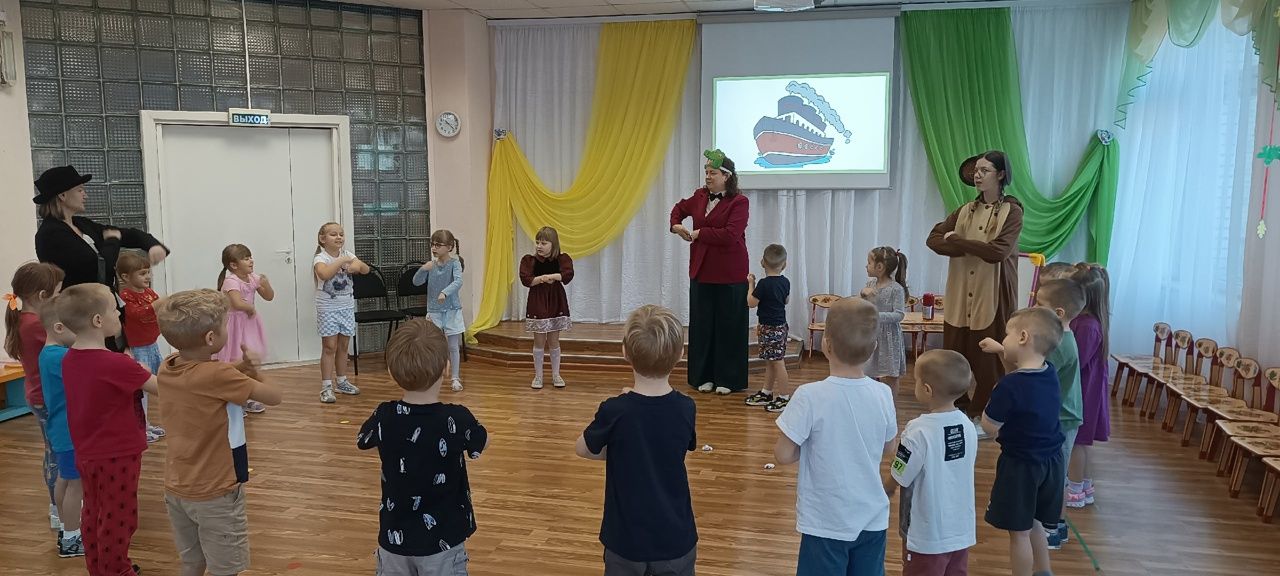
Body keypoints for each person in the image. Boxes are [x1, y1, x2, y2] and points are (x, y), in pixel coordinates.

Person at [155, 289, 283, 576]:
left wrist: (240, 368)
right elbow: (274, 396)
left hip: (177, 488)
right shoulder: (218, 376)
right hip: (216, 492)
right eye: (226, 325)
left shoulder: (168, 366)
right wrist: (256, 370)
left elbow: (208, 379)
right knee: (225, 569)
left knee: (192, 563)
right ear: (211, 338)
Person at [775, 297, 897, 576]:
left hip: (825, 520)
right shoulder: (883, 393)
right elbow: (890, 446)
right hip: (872, 517)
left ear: (825, 345)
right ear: (873, 349)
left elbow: (783, 455)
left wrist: (809, 446)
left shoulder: (809, 396)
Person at [357, 318, 488, 575]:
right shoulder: (456, 418)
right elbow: (481, 442)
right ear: (446, 368)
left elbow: (363, 440)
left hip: (394, 537)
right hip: (443, 540)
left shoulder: (384, 415)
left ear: (391, 372)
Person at [576, 305, 698, 576]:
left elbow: (582, 448)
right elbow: (678, 446)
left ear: (625, 352)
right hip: (676, 536)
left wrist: (619, 448)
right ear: (680, 354)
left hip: (626, 540)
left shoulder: (615, 410)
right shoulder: (686, 407)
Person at [57, 283, 160, 576]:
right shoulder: (115, 363)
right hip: (118, 452)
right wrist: (142, 370)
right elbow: (161, 388)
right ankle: (117, 570)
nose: (120, 314)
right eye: (115, 310)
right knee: (120, 517)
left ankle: (100, 567)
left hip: (88, 450)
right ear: (98, 321)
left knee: (94, 510)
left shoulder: (69, 358)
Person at [983, 280, 1085, 550]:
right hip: (1051, 432)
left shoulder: (1057, 352)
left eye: (1039, 303)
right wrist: (1002, 350)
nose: (1034, 305)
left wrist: (998, 396)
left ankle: (1056, 526)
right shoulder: (1050, 359)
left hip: (1050, 432)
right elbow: (1025, 369)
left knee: (1023, 527)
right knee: (1040, 512)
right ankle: (1050, 535)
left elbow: (1017, 385)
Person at [927, 151, 1024, 430]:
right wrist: (969, 246)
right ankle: (956, 409)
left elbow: (998, 252)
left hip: (992, 294)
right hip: (960, 294)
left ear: (1001, 174)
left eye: (985, 170)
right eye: (976, 171)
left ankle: (984, 415)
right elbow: (933, 239)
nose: (977, 175)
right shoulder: (964, 210)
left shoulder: (1013, 211)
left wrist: (958, 241)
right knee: (954, 357)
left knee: (989, 362)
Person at [32, 165, 169, 351]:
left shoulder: (81, 224)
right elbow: (97, 266)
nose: (85, 195)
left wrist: (152, 244)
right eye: (80, 190)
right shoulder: (50, 234)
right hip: (81, 316)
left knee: (119, 354)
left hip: (105, 310)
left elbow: (124, 233)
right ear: (62, 195)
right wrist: (112, 241)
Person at [977, 308, 1065, 576]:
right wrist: (1001, 350)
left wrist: (992, 399)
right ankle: (1044, 571)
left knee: (1019, 533)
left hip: (1021, 466)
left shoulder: (1009, 387)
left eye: (1007, 335)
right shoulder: (1049, 372)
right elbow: (1021, 372)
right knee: (1034, 521)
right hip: (1052, 462)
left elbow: (989, 426)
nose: (1004, 340)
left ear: (1023, 337)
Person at [887, 349, 977, 576]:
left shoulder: (917, 431)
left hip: (925, 534)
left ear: (927, 390)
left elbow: (900, 472)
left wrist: (886, 489)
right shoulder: (967, 426)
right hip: (960, 530)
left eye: (916, 380)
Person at [670, 149, 750, 395]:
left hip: (730, 274)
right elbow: (678, 209)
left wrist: (700, 233)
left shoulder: (739, 202)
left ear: (726, 176)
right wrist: (676, 225)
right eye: (706, 172)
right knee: (702, 326)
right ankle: (703, 376)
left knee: (729, 326)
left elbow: (730, 234)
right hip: (702, 271)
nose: (707, 176)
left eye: (713, 173)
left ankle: (728, 378)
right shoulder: (699, 196)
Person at [4, 262, 65, 534]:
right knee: (56, 453)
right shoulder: (35, 324)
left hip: (39, 395)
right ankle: (57, 508)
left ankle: (58, 505)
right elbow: (67, 343)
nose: (59, 298)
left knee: (53, 451)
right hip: (46, 397)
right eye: (57, 293)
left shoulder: (24, 320)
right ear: (42, 296)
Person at [38, 300, 85, 558]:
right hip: (69, 431)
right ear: (59, 327)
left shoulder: (48, 355)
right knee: (75, 485)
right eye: (77, 328)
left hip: (60, 428)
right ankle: (71, 538)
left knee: (65, 480)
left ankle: (67, 530)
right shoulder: (62, 357)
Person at [1067, 265, 1111, 508]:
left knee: (1077, 442)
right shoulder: (1092, 322)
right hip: (1087, 391)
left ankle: (1074, 490)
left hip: (1082, 393)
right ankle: (1084, 485)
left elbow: (1076, 361)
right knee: (1082, 443)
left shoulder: (1086, 325)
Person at [213, 244, 275, 414]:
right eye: (246, 258)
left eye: (250, 257)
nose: (251, 261)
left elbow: (269, 296)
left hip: (249, 324)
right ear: (234, 265)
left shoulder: (252, 278)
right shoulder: (231, 281)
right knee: (236, 359)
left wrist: (266, 284)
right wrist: (250, 308)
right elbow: (237, 303)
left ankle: (246, 397)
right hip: (235, 325)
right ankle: (234, 399)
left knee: (249, 360)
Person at [313, 222, 369, 404]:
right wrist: (342, 261)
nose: (339, 237)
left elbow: (365, 269)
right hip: (328, 308)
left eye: (341, 234)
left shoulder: (348, 255)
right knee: (329, 347)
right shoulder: (320, 258)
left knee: (344, 346)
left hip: (346, 307)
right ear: (322, 239)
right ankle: (326, 386)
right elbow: (324, 274)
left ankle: (342, 381)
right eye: (333, 234)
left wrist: (356, 265)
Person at [116, 250, 168, 440]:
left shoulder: (149, 293)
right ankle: (140, 427)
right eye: (142, 273)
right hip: (138, 347)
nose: (147, 277)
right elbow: (137, 314)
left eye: (148, 272)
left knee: (154, 382)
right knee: (140, 389)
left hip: (151, 344)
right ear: (125, 277)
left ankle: (145, 424)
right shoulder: (125, 296)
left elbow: (157, 311)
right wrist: (157, 305)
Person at [519, 226, 574, 390]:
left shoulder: (561, 259)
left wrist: (551, 276)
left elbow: (567, 275)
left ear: (553, 244)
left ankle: (556, 374)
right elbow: (527, 280)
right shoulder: (530, 261)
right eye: (537, 242)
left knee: (554, 341)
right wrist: (542, 279)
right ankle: (538, 376)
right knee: (539, 341)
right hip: (538, 301)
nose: (539, 246)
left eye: (543, 243)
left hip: (555, 301)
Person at [413, 229, 467, 392]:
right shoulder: (431, 265)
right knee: (432, 345)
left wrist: (445, 292)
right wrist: (423, 269)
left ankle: (455, 378)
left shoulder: (455, 263)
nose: (434, 248)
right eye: (432, 244)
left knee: (453, 345)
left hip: (452, 310)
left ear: (449, 247)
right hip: (434, 310)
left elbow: (458, 281)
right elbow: (416, 282)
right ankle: (432, 376)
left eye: (438, 245)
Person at [745, 243, 792, 412]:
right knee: (771, 362)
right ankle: (767, 392)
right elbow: (786, 300)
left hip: (770, 328)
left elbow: (751, 303)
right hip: (780, 327)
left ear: (762, 262)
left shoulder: (763, 284)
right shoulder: (785, 282)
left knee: (777, 362)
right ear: (784, 264)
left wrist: (751, 284)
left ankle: (784, 397)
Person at [861, 246, 909, 391]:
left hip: (889, 337)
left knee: (890, 376)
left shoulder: (896, 289)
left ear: (880, 267)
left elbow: (899, 314)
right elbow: (865, 307)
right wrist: (863, 296)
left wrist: (875, 316)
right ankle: (873, 402)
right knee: (868, 372)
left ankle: (890, 404)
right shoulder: (870, 285)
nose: (866, 266)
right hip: (872, 335)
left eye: (869, 262)